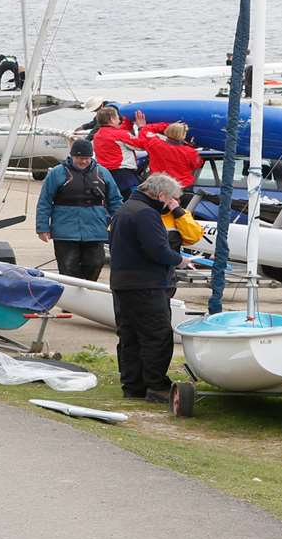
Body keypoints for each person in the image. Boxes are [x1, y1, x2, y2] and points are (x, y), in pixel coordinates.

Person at [108, 171, 189, 401]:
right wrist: (180, 259)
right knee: (157, 335)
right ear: (160, 195)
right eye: (169, 199)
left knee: (129, 335)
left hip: (122, 283)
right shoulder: (147, 214)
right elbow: (157, 250)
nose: (168, 205)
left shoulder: (124, 210)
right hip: (146, 284)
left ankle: (132, 386)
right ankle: (156, 385)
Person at [35, 139, 123, 282]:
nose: (83, 162)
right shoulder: (57, 173)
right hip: (65, 230)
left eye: (86, 158)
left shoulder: (103, 173)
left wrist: (118, 223)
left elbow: (115, 200)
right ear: (71, 156)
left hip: (95, 229)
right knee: (68, 267)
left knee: (95, 263)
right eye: (79, 158)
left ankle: (86, 293)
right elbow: (45, 201)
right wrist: (42, 227)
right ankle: (70, 300)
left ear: (91, 157)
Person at [91, 106, 159, 197]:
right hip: (124, 176)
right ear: (112, 119)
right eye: (117, 117)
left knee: (115, 201)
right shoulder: (119, 135)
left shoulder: (98, 134)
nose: (119, 119)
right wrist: (142, 128)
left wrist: (128, 121)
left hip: (106, 174)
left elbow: (120, 133)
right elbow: (142, 145)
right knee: (136, 199)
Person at [139, 121, 203, 190]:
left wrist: (167, 125)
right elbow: (198, 164)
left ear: (167, 130)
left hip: (159, 187)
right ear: (183, 136)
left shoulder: (155, 144)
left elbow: (145, 130)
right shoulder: (190, 152)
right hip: (182, 188)